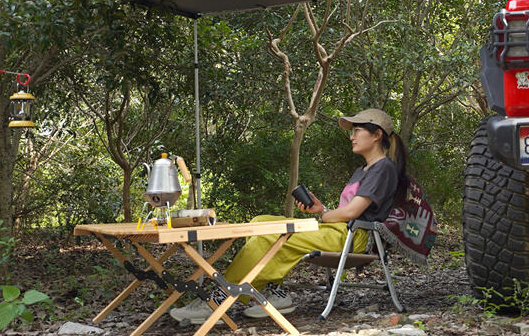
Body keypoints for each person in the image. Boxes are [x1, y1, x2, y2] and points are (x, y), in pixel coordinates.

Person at [170, 108, 408, 324]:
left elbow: (352, 212)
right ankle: (276, 292)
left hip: (355, 237)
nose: (352, 137)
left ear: (376, 135)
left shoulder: (383, 168)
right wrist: (321, 210)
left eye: (357, 131)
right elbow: (346, 210)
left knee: (268, 235)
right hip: (340, 230)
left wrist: (324, 217)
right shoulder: (362, 169)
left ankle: (219, 298)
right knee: (260, 222)